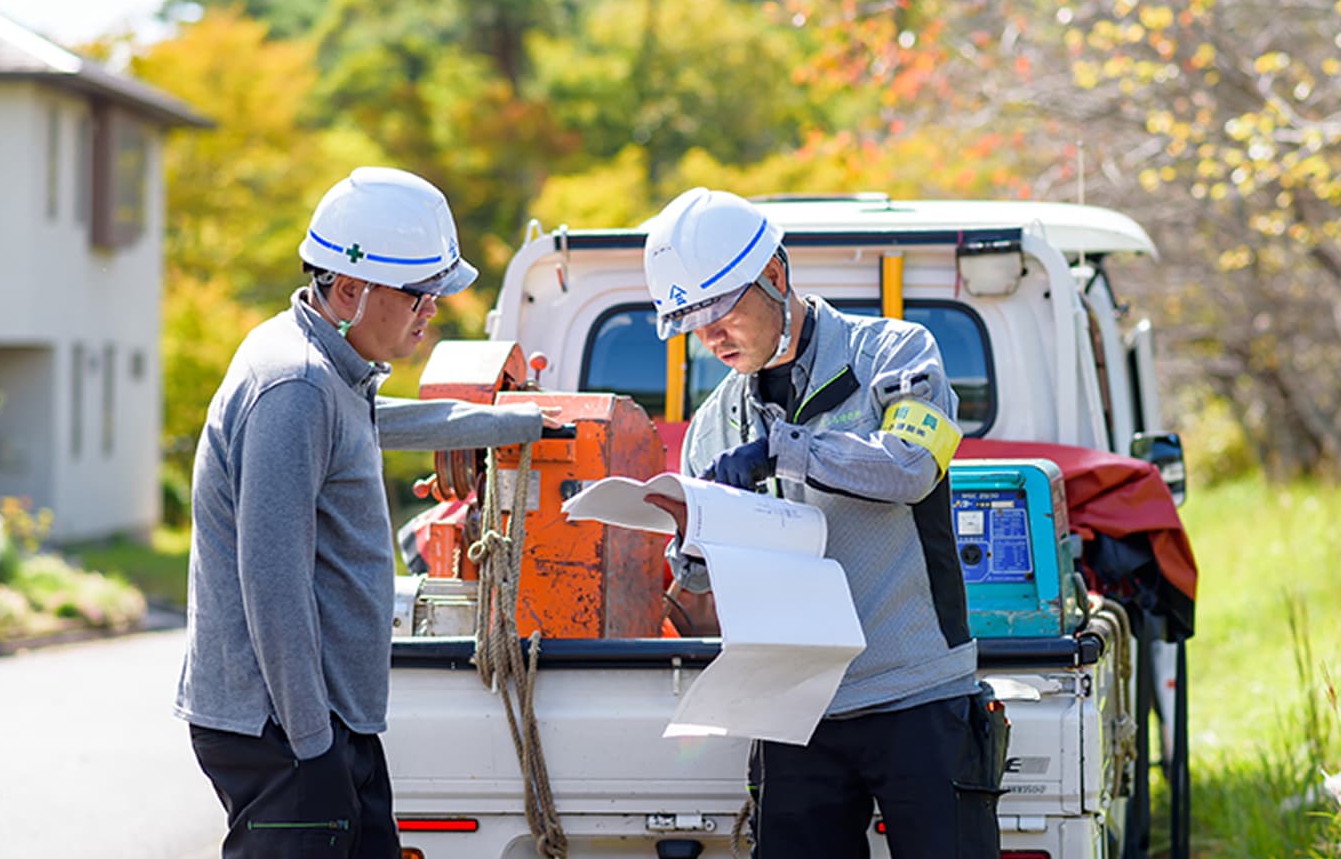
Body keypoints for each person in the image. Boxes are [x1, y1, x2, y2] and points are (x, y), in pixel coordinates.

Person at [174, 167, 555, 858]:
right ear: (350, 289)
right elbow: (272, 581)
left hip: (316, 721)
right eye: (420, 293)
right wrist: (314, 747)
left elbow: (379, 420)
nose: (431, 310)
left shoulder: (324, 365)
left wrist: (516, 422)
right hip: (284, 730)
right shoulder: (295, 386)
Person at [641, 187, 1002, 859]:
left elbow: (912, 466)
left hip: (916, 691)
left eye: (720, 308)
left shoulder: (895, 355)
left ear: (776, 274)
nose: (711, 335)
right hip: (791, 708)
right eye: (694, 320)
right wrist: (688, 539)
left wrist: (787, 448)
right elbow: (697, 590)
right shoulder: (715, 422)